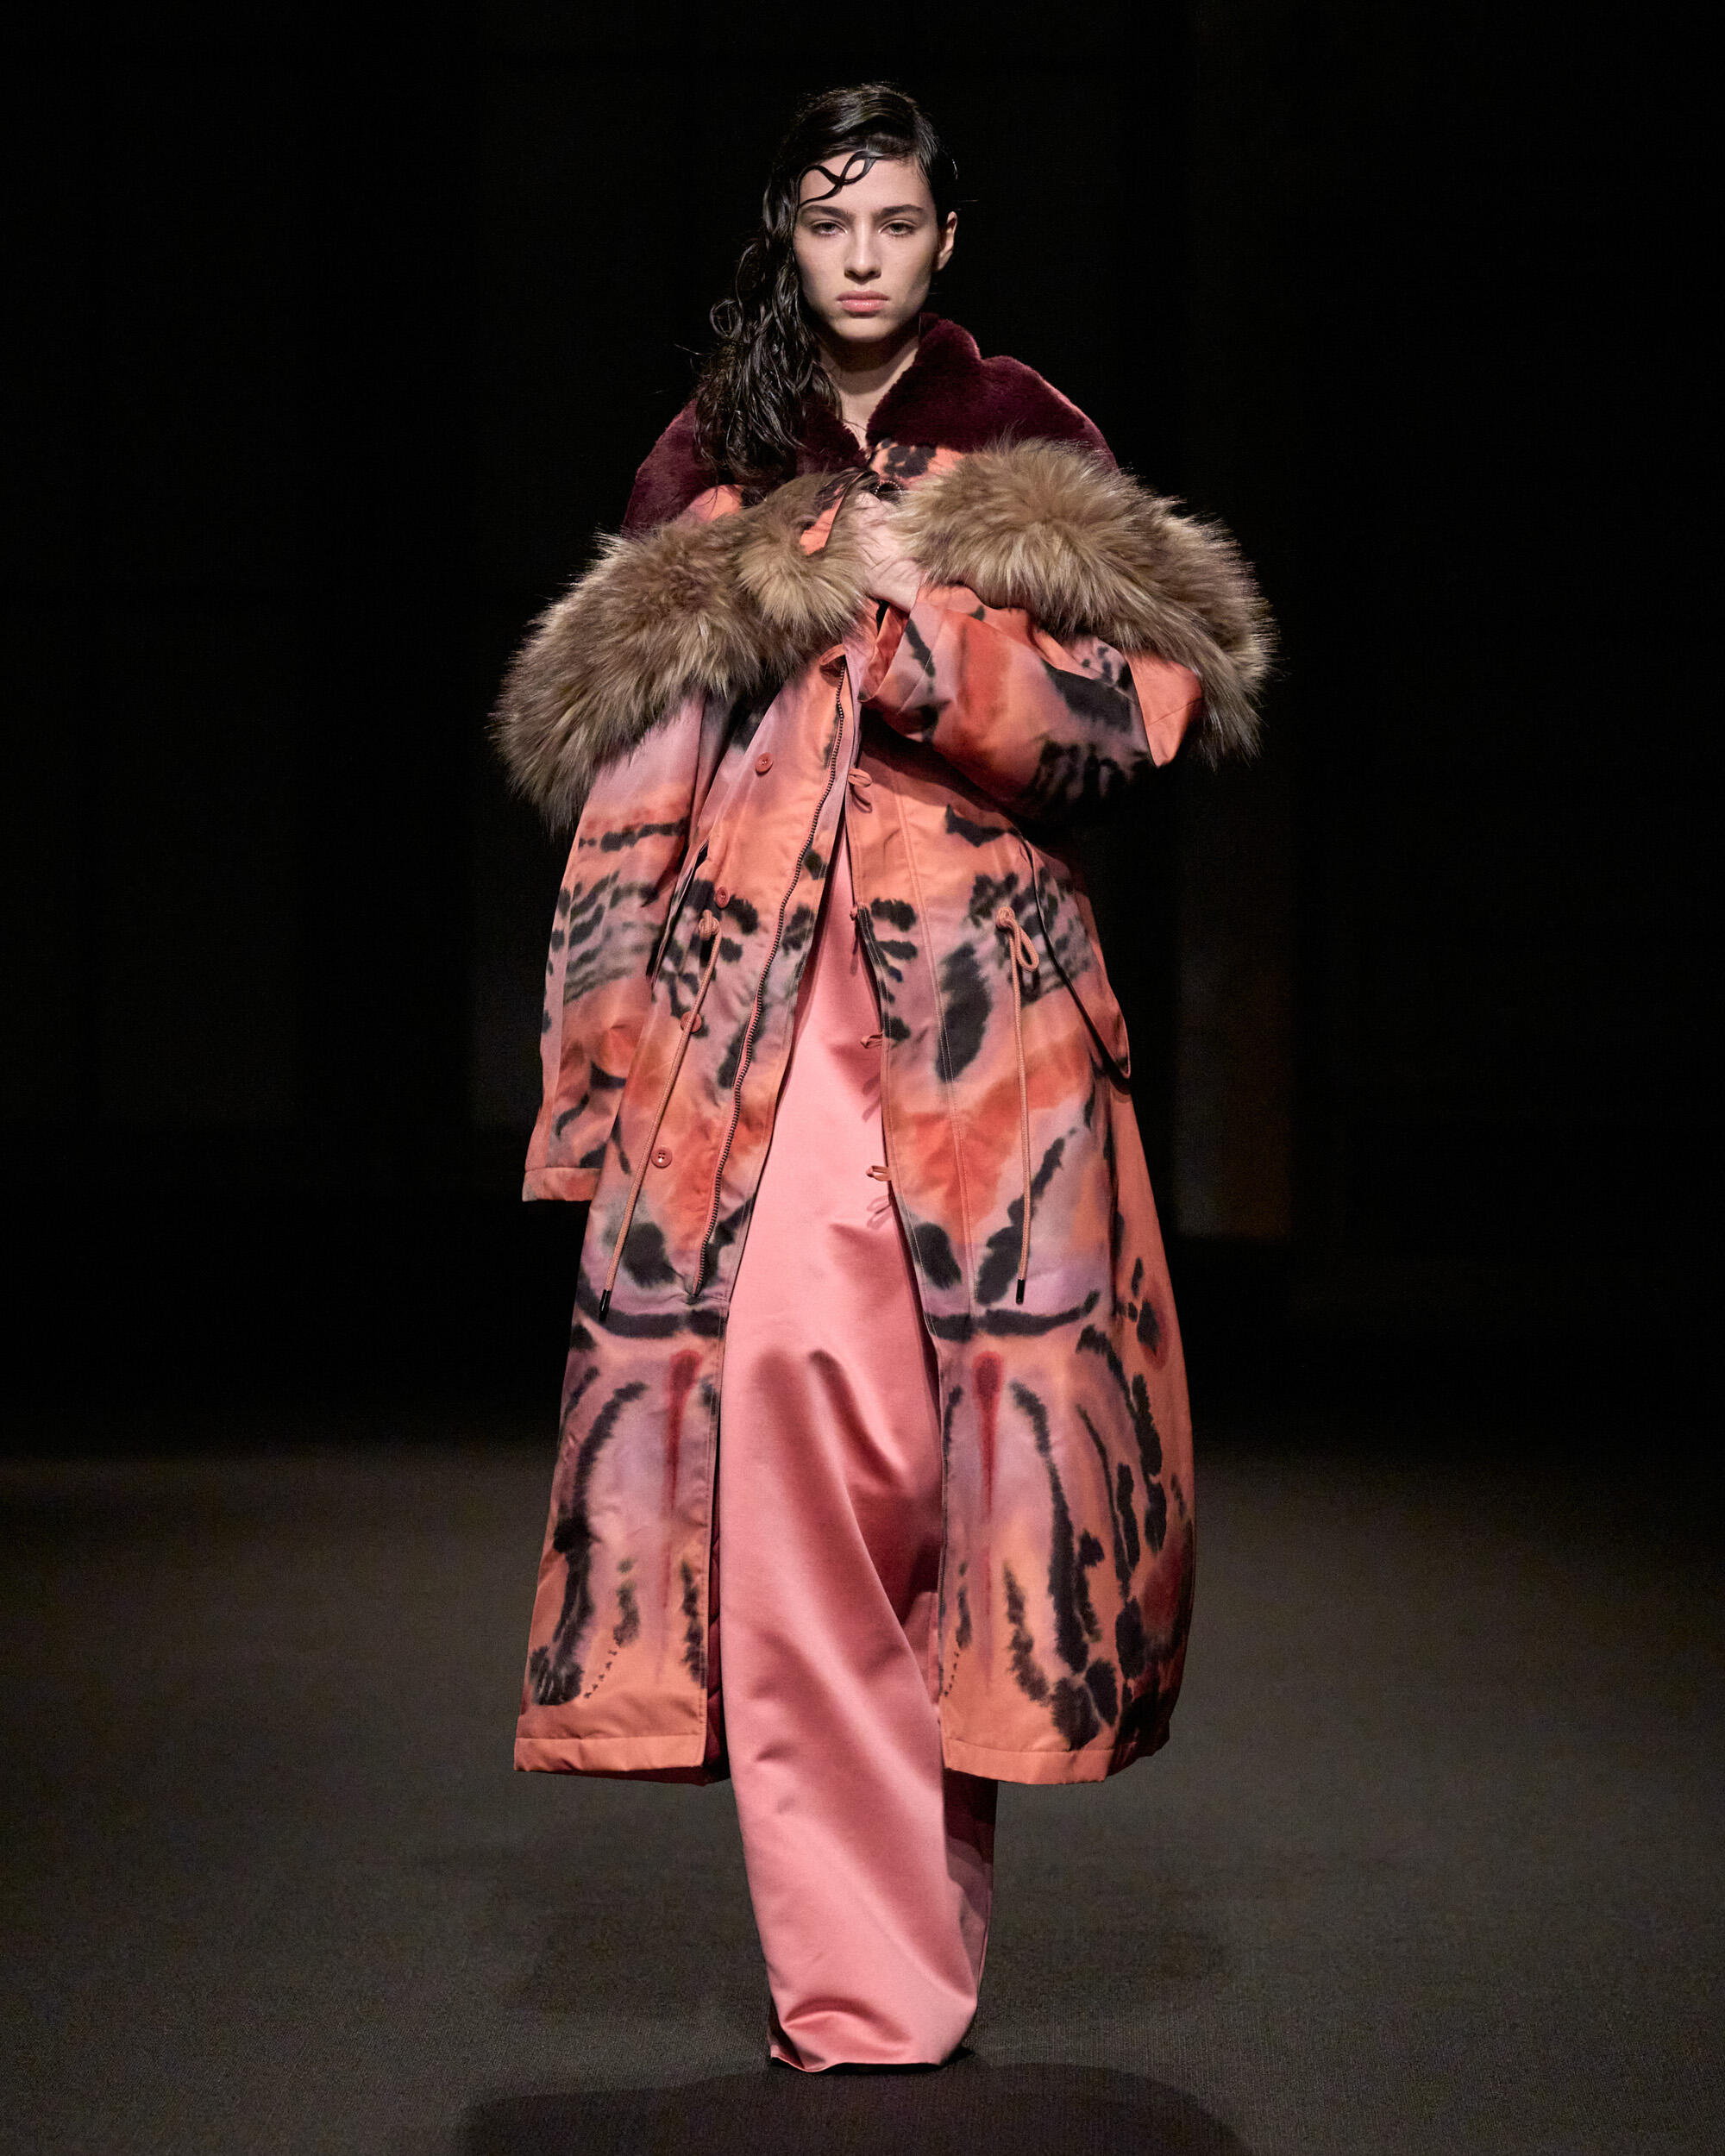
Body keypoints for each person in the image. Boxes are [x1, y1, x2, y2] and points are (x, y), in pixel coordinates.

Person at [492, 82, 1270, 2073]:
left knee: (963, 1488)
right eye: (830, 220)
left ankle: (910, 1929)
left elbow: (1131, 721)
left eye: (896, 221)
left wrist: (919, 636)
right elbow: (629, 797)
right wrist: (590, 1087)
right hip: (753, 1032)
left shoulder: (1025, 448)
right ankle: (856, 1977)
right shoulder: (712, 467)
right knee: (781, 1441)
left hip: (989, 1043)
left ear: (944, 241)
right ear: (787, 231)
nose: (861, 254)